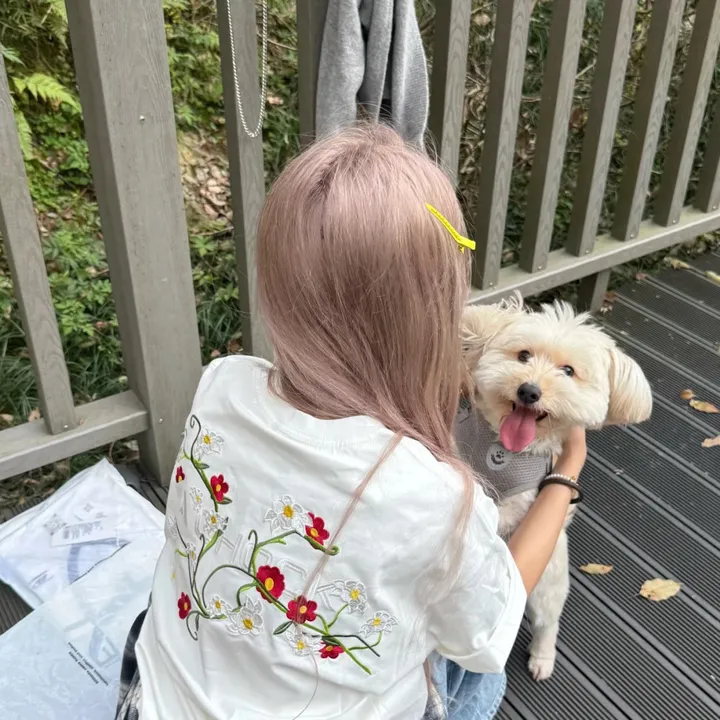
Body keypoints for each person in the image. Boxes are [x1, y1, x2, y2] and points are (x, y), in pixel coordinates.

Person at [118, 125, 587, 720]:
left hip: (153, 698)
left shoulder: (222, 383)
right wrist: (567, 470)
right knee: (476, 680)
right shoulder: (435, 495)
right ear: (435, 310)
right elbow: (491, 633)